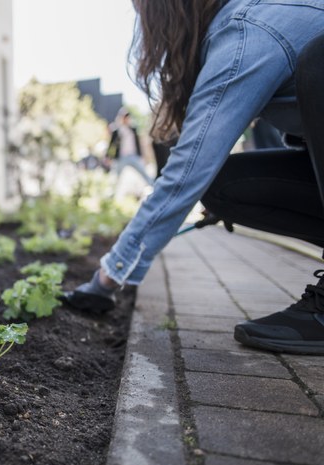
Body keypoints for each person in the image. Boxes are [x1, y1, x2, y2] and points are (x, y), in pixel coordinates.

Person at [65, 0, 324, 355]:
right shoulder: (257, 19)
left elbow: (186, 170)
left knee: (319, 59)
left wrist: (107, 278)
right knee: (227, 187)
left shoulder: (245, 34)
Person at [105, 108, 154, 187]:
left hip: (133, 156)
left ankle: (153, 185)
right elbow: (111, 144)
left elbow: (138, 144)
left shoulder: (133, 130)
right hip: (121, 157)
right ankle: (111, 192)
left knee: (143, 172)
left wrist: (142, 156)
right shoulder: (117, 131)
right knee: (116, 176)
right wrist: (108, 157)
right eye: (124, 117)